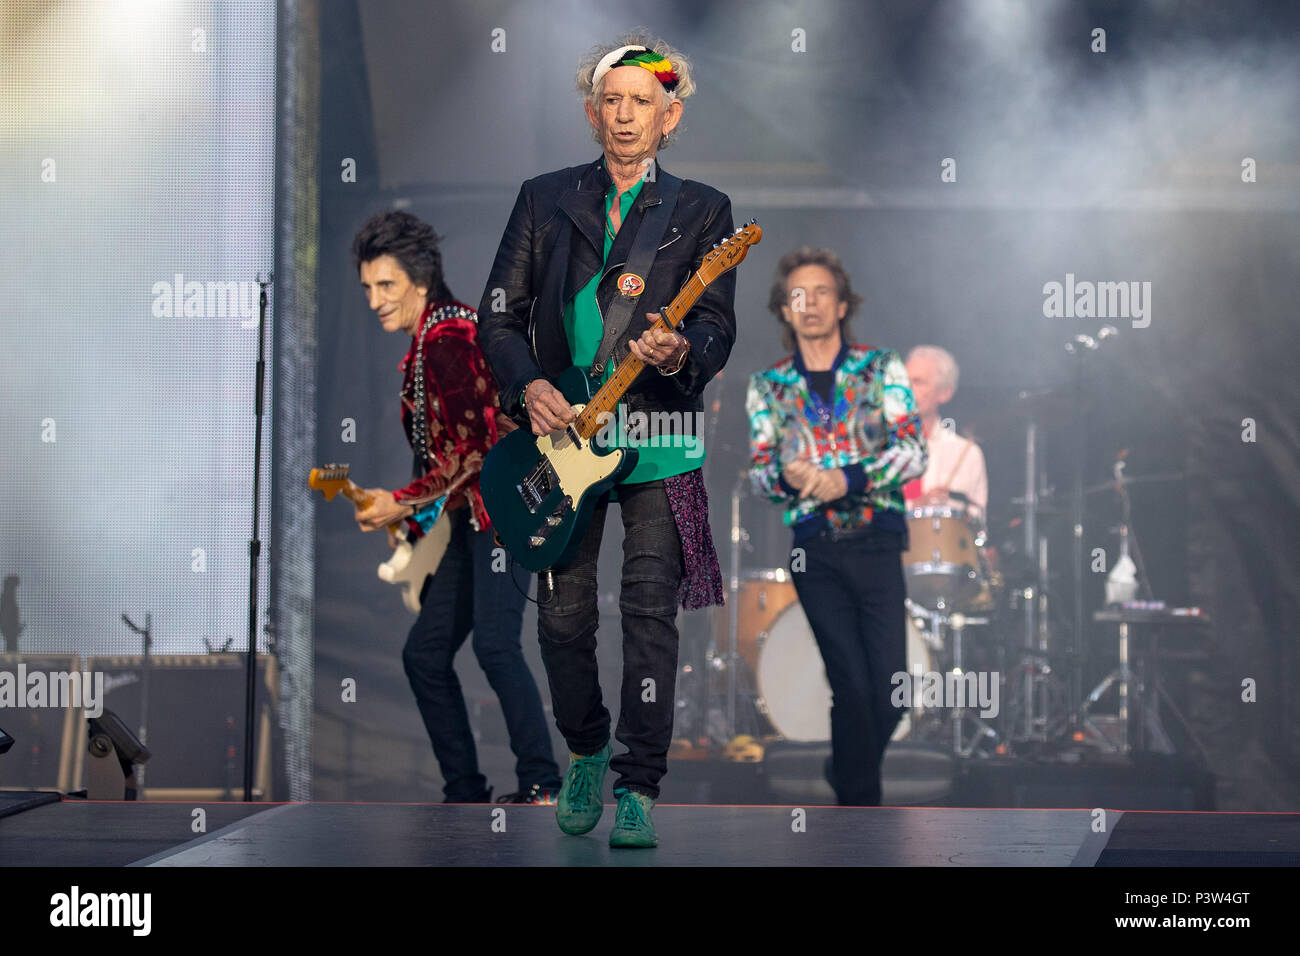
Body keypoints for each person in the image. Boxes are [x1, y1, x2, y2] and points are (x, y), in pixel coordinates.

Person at [477, 32, 734, 847]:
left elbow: (719, 325)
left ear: (671, 117)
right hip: (564, 435)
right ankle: (584, 749)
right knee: (562, 619)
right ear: (593, 112)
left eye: (642, 102)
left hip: (658, 435)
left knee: (652, 613)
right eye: (611, 100)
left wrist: (682, 348)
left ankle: (641, 785)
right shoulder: (545, 197)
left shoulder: (702, 211)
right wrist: (529, 385)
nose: (625, 115)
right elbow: (498, 315)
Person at [350, 210, 561, 805]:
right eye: (367, 288)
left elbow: (475, 451)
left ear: (420, 280)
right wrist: (411, 517)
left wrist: (399, 502)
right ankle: (465, 792)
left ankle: (543, 784)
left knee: (495, 644)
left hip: (506, 513)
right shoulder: (432, 339)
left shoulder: (447, 340)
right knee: (425, 654)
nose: (374, 300)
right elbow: (452, 457)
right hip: (477, 519)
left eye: (385, 285)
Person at [746, 247, 927, 806]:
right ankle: (860, 813)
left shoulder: (881, 368)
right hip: (815, 551)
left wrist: (848, 477)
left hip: (877, 540)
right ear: (783, 308)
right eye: (798, 293)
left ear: (843, 303)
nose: (811, 303)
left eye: (822, 291)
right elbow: (759, 476)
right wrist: (791, 477)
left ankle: (843, 769)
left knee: (890, 692)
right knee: (849, 684)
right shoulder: (768, 386)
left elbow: (914, 451)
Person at [903, 345, 988, 520]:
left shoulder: (967, 454)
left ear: (944, 393)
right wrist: (913, 509)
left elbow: (976, 525)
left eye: (918, 382)